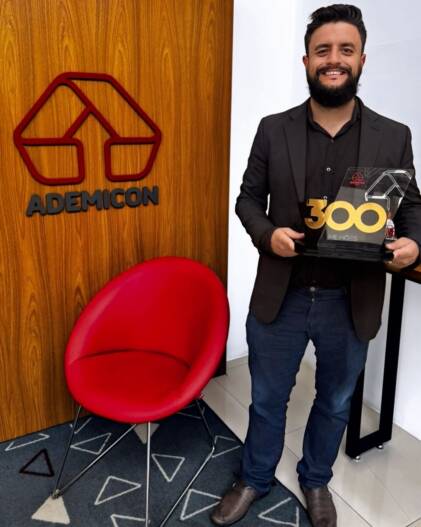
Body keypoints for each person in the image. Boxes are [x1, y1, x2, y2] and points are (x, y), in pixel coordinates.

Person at [211, 4, 421, 527]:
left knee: (335, 401)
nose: (334, 59)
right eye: (322, 50)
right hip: (281, 295)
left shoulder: (394, 135)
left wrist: (414, 243)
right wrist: (268, 235)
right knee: (267, 399)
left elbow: (412, 206)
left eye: (346, 50)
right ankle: (255, 478)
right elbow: (247, 200)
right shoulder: (272, 129)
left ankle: (315, 478)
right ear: (306, 60)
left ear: (362, 59)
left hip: (351, 301)